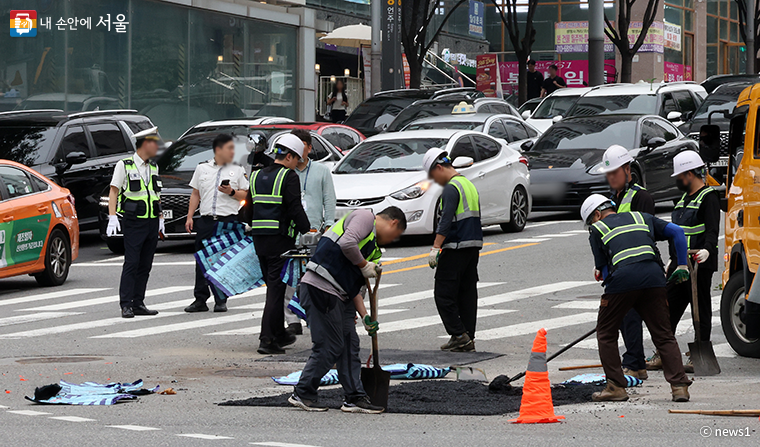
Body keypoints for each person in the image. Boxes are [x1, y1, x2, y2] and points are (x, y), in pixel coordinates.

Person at [289, 207, 407, 413]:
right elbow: (346, 243)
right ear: (393, 222)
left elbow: (355, 288)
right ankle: (303, 392)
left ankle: (354, 397)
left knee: (350, 345)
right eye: (395, 235)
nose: (392, 239)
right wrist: (363, 265)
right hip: (320, 288)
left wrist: (364, 316)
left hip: (340, 295)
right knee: (329, 345)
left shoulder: (372, 248)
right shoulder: (365, 217)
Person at [581, 194, 692, 402]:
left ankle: (615, 387)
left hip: (622, 281)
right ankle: (679, 387)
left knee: (605, 332)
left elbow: (605, 272)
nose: (591, 225)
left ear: (597, 214)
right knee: (664, 334)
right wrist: (682, 265)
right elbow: (677, 231)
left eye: (591, 221)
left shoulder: (597, 229)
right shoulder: (642, 217)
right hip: (654, 277)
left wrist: (609, 289)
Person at [648, 151, 721, 373]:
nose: (677, 180)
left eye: (679, 176)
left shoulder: (708, 197)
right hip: (681, 265)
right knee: (667, 306)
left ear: (689, 174)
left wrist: (708, 250)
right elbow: (675, 234)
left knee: (701, 309)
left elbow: (712, 229)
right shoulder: (682, 200)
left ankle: (700, 352)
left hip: (700, 263)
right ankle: (663, 352)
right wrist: (673, 259)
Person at [249, 133, 311, 355]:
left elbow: (248, 210)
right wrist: (309, 229)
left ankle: (279, 333)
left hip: (259, 241)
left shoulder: (256, 175)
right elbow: (295, 207)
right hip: (280, 241)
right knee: (275, 291)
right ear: (290, 156)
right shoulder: (289, 176)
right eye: (297, 159)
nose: (297, 164)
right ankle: (267, 340)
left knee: (274, 287)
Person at [599, 144, 656, 381]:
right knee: (625, 316)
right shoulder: (616, 197)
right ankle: (635, 361)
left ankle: (634, 362)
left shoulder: (641, 197)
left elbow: (648, 232)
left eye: (614, 173)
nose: (611, 178)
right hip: (620, 266)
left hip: (638, 266)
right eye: (608, 174)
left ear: (627, 169)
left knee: (632, 316)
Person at [423, 147, 483, 352]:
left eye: (433, 176)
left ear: (439, 168)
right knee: (467, 293)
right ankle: (468, 336)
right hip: (472, 246)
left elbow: (446, 220)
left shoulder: (450, 188)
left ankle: (458, 334)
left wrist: (436, 247)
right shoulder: (468, 184)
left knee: (443, 293)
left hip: (455, 246)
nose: (435, 181)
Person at [184, 134, 249, 314]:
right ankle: (200, 299)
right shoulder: (202, 168)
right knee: (201, 259)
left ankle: (221, 300)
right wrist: (190, 216)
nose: (233, 152)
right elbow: (195, 193)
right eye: (230, 148)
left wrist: (231, 192)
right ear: (218, 150)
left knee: (223, 260)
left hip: (227, 221)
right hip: (206, 221)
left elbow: (246, 195)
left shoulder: (237, 170)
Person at [106, 127, 165, 319]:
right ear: (145, 144)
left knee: (145, 265)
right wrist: (112, 216)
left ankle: (138, 302)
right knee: (132, 262)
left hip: (151, 222)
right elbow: (114, 191)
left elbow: (156, 195)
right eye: (155, 143)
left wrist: (161, 218)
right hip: (134, 222)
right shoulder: (125, 165)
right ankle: (126, 304)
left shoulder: (154, 167)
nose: (157, 147)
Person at [284, 129, 337, 336]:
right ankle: (291, 320)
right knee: (289, 278)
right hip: (290, 233)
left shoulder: (321, 171)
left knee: (314, 277)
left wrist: (329, 224)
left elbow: (329, 199)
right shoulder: (285, 171)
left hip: (314, 231)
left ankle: (312, 317)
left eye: (300, 146)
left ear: (308, 147)